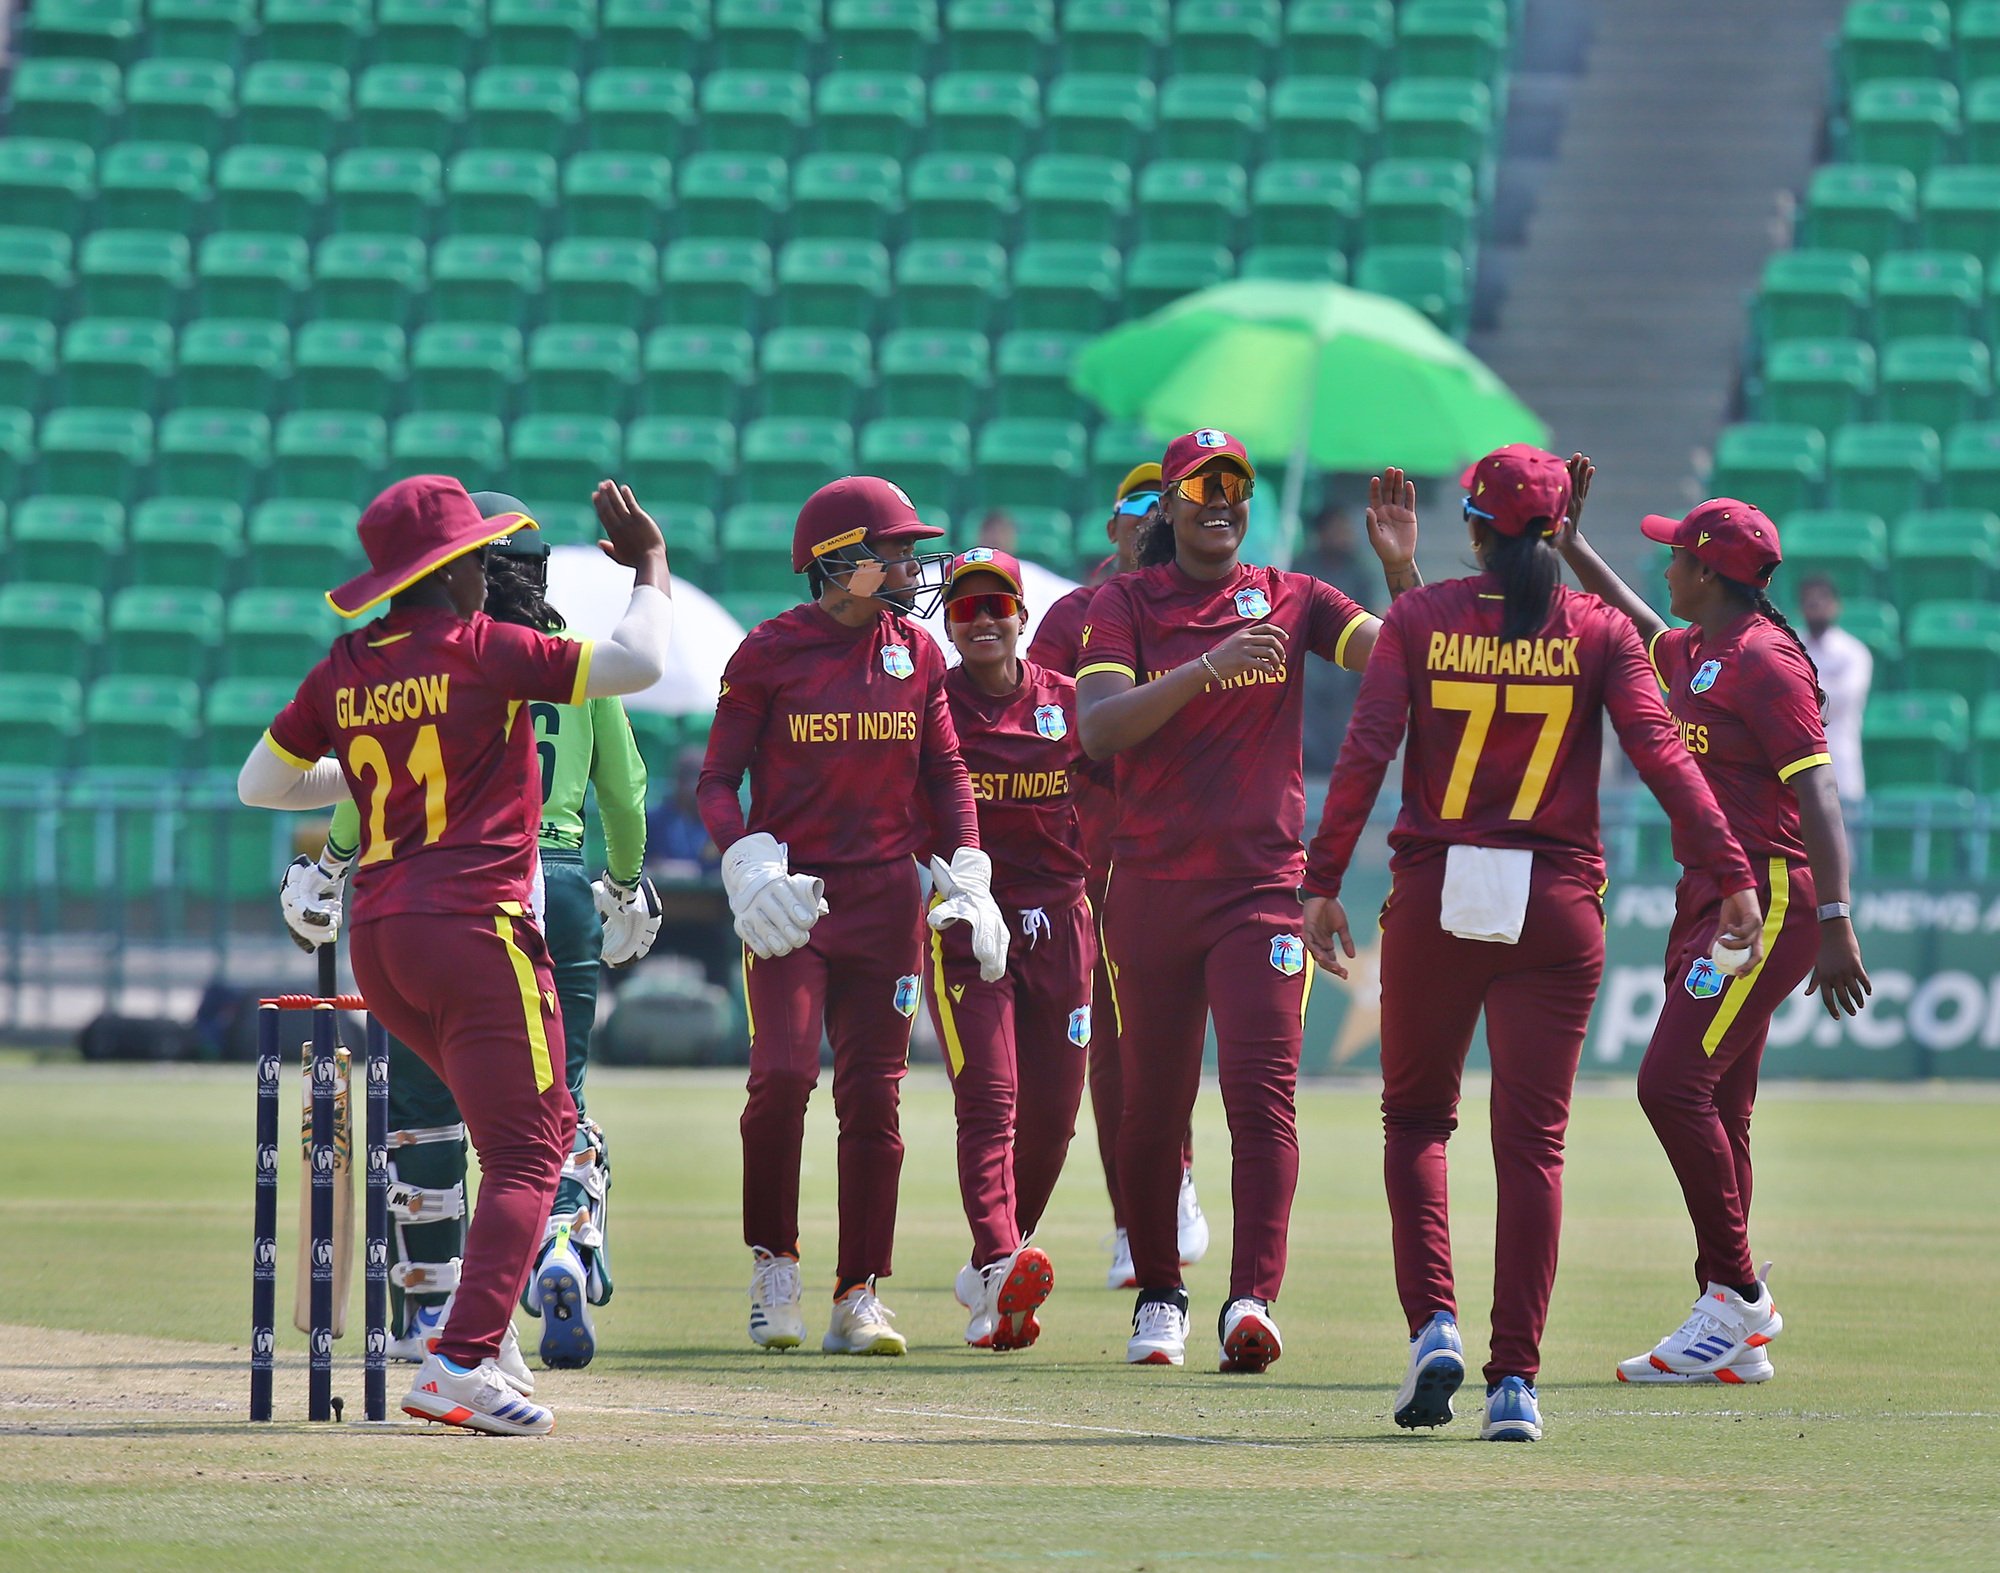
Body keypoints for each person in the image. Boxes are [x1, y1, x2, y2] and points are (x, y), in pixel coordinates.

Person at [1298, 445, 1762, 1444]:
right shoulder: (1597, 630)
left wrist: (1320, 878)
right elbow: (1666, 763)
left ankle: (1433, 1325)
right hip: (1554, 905)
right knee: (1531, 1146)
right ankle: (1515, 1381)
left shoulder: (1418, 620)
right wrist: (1730, 872)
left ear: (1468, 525)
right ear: (1557, 531)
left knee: (1417, 1123)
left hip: (1432, 894)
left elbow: (1364, 752)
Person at [242, 475, 672, 1435]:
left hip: (385, 942)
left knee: (485, 1129)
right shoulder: (485, 650)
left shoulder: (346, 666)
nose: (488, 574)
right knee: (535, 1144)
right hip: (478, 925)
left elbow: (260, 783)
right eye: (478, 559)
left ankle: (482, 1336)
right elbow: (640, 661)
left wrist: (362, 756)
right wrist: (648, 562)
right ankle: (463, 1356)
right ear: (451, 570)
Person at [1074, 429, 1419, 1372]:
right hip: (1146, 890)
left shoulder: (1296, 594)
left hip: (1263, 892)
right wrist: (1208, 669)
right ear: (1171, 506)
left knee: (1264, 1102)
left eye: (1238, 485)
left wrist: (1402, 569)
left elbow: (1414, 657)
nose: (1222, 500)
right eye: (1202, 486)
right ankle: (1159, 1295)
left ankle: (1251, 1300)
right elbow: (1099, 728)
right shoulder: (1124, 603)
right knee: (1152, 1108)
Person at [1555, 456, 1872, 1388]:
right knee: (1721, 1100)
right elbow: (1642, 626)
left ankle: (1735, 1294)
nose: (1664, 568)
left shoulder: (1767, 661)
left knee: (1669, 1084)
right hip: (1719, 892)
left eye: (1674, 556)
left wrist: (1839, 919)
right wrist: (1574, 545)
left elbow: (1819, 796)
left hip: (1771, 895)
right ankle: (1727, 1320)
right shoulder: (1700, 647)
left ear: (1709, 569)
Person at [697, 475, 1004, 1357]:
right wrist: (745, 859)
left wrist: (971, 868)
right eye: (895, 549)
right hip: (793, 898)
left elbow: (944, 773)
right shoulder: (768, 652)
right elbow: (718, 780)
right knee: (785, 1074)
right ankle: (774, 1264)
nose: (912, 565)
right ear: (838, 562)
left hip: (884, 900)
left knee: (875, 1099)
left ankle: (859, 1290)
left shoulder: (920, 653)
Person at [1029, 461, 1209, 1291]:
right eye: (1133, 509)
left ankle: (1173, 1188)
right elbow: (1042, 728)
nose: (1146, 522)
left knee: (1185, 1035)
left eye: (1158, 506)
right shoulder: (1075, 616)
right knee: (1119, 1042)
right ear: (1115, 527)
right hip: (1101, 854)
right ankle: (1135, 1220)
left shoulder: (1210, 603)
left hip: (1206, 848)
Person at [929, 548, 1091, 1350]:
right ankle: (1001, 1259)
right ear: (950, 624)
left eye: (998, 605)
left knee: (1055, 1118)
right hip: (968, 922)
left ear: (1025, 616)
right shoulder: (932, 706)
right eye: (966, 608)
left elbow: (1124, 788)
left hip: (1062, 923)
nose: (984, 619)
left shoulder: (1068, 702)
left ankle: (988, 1266)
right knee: (990, 1096)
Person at [1294, 502, 1381, 775]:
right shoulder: (1301, 566)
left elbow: (1371, 616)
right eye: (1337, 529)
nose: (1344, 535)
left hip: (1347, 663)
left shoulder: (1359, 571)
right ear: (1321, 533)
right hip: (1309, 661)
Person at [1797, 575, 1872, 804]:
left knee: (1847, 835)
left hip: (1840, 757)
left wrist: (1801, 691)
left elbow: (1842, 699)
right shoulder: (1789, 645)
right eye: (1810, 601)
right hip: (1796, 756)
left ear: (1836, 606)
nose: (1816, 606)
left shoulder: (1853, 652)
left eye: (1822, 600)